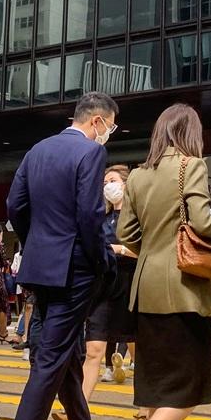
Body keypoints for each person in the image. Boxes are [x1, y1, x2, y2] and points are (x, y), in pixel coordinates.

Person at [0, 91, 119, 420]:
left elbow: (15, 205)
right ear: (97, 121)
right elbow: (89, 214)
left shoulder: (38, 150)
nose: (108, 132)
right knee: (51, 358)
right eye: (110, 125)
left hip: (41, 265)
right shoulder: (90, 152)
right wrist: (100, 260)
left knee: (65, 353)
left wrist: (39, 243)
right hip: (75, 268)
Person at [109, 103, 211, 420]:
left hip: (146, 291)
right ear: (189, 132)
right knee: (191, 387)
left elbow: (125, 232)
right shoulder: (191, 166)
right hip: (184, 290)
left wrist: (154, 248)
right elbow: (202, 220)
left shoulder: (138, 176)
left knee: (161, 392)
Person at [82, 165, 138, 404]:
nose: (108, 186)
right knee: (93, 349)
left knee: (136, 348)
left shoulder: (136, 218)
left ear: (126, 185)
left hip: (129, 286)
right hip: (103, 287)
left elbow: (147, 252)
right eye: (104, 183)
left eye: (112, 181)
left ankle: (145, 407)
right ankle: (78, 408)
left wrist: (120, 249)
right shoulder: (101, 217)